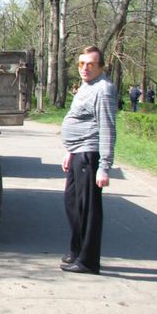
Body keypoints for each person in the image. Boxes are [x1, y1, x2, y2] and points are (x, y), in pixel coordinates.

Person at [60, 46, 117, 275]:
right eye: (82, 64)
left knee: (88, 210)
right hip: (78, 152)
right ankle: (76, 251)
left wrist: (104, 167)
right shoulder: (87, 86)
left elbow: (107, 128)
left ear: (101, 67)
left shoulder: (103, 89)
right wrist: (69, 150)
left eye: (91, 64)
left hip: (90, 155)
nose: (85, 68)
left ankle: (88, 261)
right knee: (72, 204)